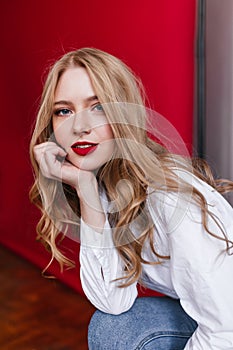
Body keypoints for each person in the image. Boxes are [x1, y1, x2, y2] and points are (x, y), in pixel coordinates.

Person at [30, 47, 233, 349]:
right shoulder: (104, 186)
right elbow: (111, 301)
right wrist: (85, 188)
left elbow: (225, 328)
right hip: (215, 315)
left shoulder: (169, 197)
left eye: (97, 107)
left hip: (227, 319)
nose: (80, 126)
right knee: (113, 328)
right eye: (64, 111)